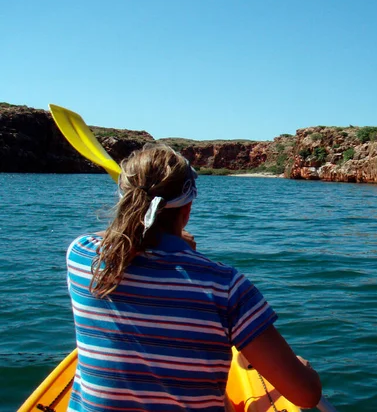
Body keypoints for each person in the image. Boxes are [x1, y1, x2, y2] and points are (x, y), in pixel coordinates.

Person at [66, 144, 322, 411]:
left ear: (125, 199)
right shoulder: (225, 285)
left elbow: (113, 240)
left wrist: (162, 238)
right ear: (186, 209)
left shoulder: (82, 257)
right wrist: (305, 371)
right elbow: (306, 395)